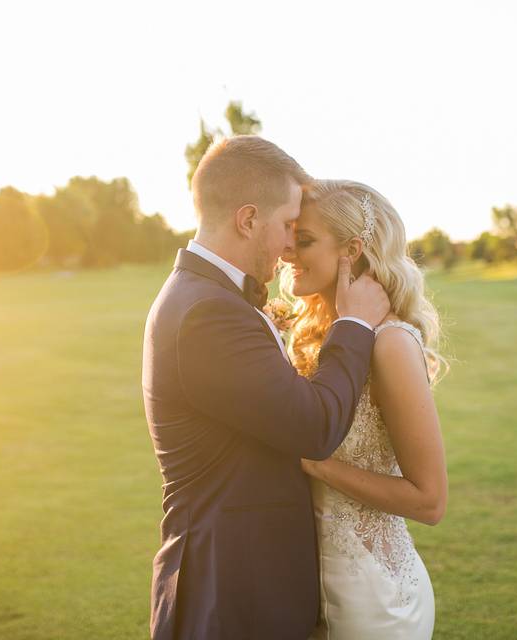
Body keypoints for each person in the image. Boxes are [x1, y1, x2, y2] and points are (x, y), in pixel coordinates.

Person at [142, 137, 392, 639]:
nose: (287, 244)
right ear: (248, 219)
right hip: (231, 590)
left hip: (246, 580)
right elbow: (314, 425)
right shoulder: (206, 312)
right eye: (286, 226)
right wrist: (355, 325)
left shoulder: (207, 297)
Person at [279, 180, 449, 639]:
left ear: (351, 250)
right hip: (311, 586)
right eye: (289, 235)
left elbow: (430, 500)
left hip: (373, 600)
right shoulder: (318, 336)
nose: (287, 250)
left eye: (305, 240)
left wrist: (318, 464)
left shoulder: (390, 344)